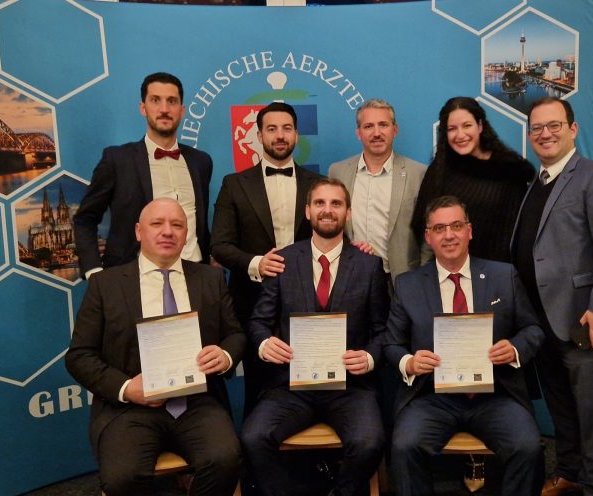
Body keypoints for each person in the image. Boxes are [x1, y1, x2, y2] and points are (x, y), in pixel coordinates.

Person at [66, 198, 245, 496]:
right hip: (129, 409)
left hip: (197, 402)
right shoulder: (105, 285)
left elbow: (236, 334)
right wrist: (126, 388)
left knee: (226, 459)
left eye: (177, 225)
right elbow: (79, 356)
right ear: (139, 231)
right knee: (122, 479)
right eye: (157, 224)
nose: (168, 232)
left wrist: (225, 355)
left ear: (186, 234)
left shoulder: (210, 278)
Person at [385, 195, 545, 496]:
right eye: (439, 228)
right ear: (428, 237)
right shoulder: (408, 284)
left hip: (495, 395)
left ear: (469, 231)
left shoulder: (503, 276)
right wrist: (409, 362)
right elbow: (391, 344)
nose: (449, 235)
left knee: (528, 447)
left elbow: (533, 329)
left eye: (456, 226)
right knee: (404, 446)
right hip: (432, 397)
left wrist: (514, 348)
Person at [512, 98, 593, 496]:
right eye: (537, 128)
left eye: (554, 125)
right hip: (542, 318)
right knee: (561, 405)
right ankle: (570, 472)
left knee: (591, 409)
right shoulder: (536, 183)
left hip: (583, 318)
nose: (545, 134)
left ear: (573, 129)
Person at [242, 178, 389, 496]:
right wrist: (265, 344)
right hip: (291, 387)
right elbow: (258, 322)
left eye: (336, 204)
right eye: (320, 203)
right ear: (307, 211)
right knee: (253, 438)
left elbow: (383, 330)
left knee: (370, 441)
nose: (328, 210)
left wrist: (369, 357)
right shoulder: (282, 261)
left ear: (348, 213)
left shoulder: (369, 265)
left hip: (350, 388)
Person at [211, 101, 321, 412]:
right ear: (259, 136)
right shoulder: (234, 184)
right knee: (257, 390)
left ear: (296, 134)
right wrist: (256, 263)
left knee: (312, 384)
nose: (280, 135)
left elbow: (332, 236)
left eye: (287, 128)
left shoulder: (318, 184)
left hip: (309, 302)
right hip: (252, 301)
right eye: (271, 129)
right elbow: (220, 245)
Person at [74, 72, 213, 280]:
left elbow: (200, 224)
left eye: (172, 101)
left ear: (182, 110)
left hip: (195, 276)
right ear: (143, 108)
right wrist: (94, 272)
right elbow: (85, 219)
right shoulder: (117, 159)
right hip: (133, 279)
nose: (164, 109)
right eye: (155, 100)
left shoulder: (201, 162)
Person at [412, 96, 535, 263]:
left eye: (467, 125)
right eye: (452, 128)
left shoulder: (509, 169)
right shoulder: (439, 168)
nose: (460, 135)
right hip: (447, 271)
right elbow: (422, 225)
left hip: (497, 271)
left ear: (480, 126)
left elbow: (518, 233)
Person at [328, 98, 426, 284]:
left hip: (402, 279)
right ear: (358, 133)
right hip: (352, 277)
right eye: (368, 126)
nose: (377, 133)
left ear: (395, 130)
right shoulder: (337, 172)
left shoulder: (418, 173)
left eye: (383, 125)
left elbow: (427, 232)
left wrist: (424, 277)